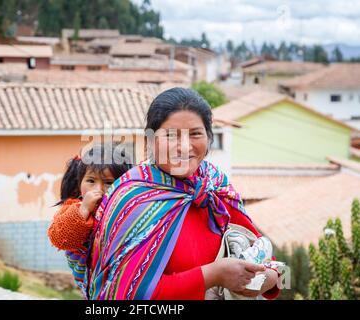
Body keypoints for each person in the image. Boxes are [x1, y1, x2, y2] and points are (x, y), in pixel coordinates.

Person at [84, 87, 280, 300]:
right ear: (151, 140)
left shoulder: (214, 186)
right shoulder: (131, 198)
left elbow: (273, 267)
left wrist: (263, 280)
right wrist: (213, 275)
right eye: (170, 135)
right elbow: (128, 293)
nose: (184, 147)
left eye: (195, 133)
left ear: (208, 137)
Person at [47, 142, 132, 295]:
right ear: (80, 183)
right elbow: (59, 238)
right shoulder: (74, 207)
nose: (98, 190)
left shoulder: (125, 210)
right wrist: (84, 209)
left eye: (108, 183)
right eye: (91, 181)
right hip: (91, 286)